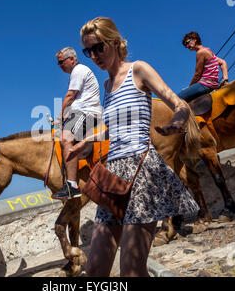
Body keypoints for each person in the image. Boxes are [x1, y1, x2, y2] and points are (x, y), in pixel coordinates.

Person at [66, 17, 199, 277]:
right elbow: (115, 126)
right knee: (94, 270)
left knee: (131, 271)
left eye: (98, 48)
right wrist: (85, 141)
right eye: (88, 51)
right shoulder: (106, 86)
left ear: (114, 43)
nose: (94, 56)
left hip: (141, 173)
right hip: (112, 177)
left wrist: (177, 123)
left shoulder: (138, 69)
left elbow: (179, 103)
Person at [51, 47, 102, 200]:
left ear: (71, 59)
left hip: (87, 113)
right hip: (80, 112)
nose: (59, 66)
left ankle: (72, 185)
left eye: (61, 62)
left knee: (66, 137)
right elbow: (73, 103)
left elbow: (70, 97)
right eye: (58, 63)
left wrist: (58, 120)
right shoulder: (77, 73)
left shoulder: (78, 70)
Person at [178, 31, 229, 102]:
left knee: (177, 98)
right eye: (185, 45)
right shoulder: (208, 52)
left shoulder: (200, 52)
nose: (187, 46)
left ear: (194, 39)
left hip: (205, 84)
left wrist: (189, 87)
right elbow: (223, 62)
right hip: (213, 84)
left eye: (187, 43)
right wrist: (225, 79)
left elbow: (197, 74)